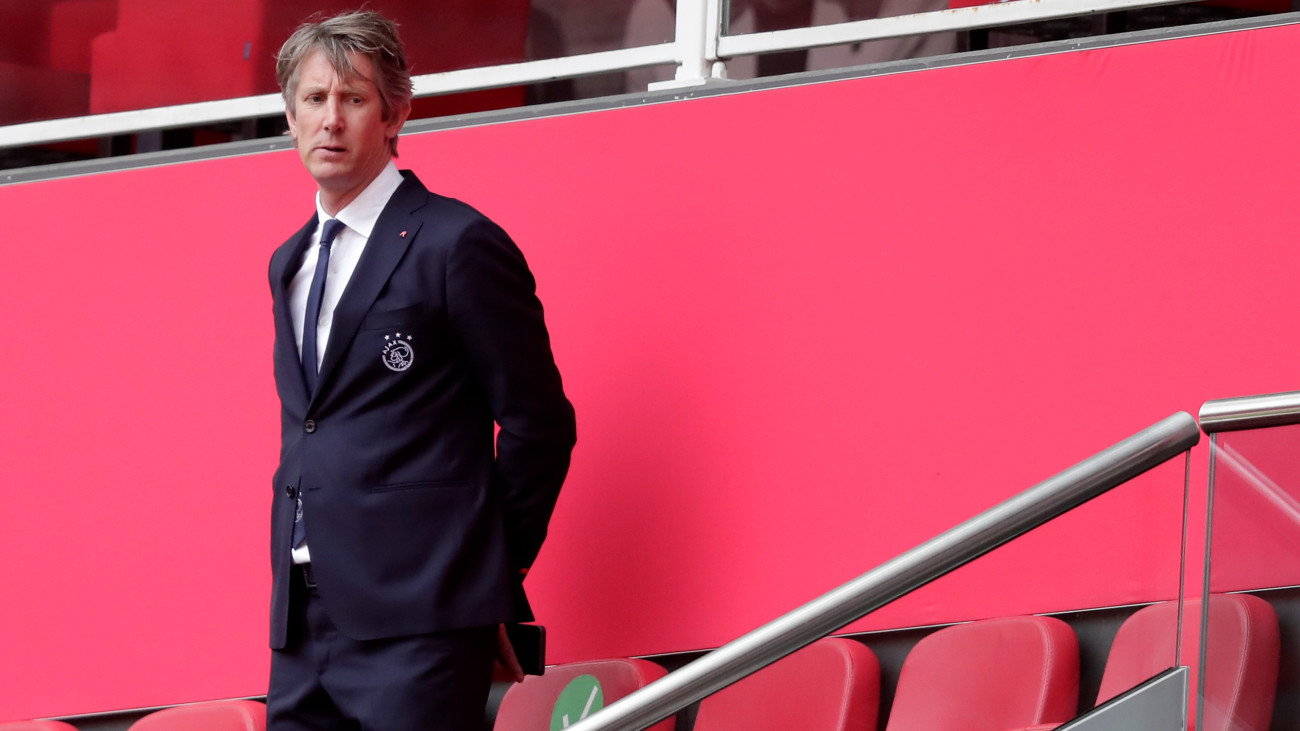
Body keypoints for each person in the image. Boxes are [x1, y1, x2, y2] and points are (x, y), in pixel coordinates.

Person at [264, 10, 577, 730]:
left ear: (396, 111)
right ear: (290, 115)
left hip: (421, 624)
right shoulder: (289, 262)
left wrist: (486, 570)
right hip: (303, 621)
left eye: (353, 99)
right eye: (314, 100)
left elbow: (541, 425)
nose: (331, 121)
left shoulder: (456, 243)